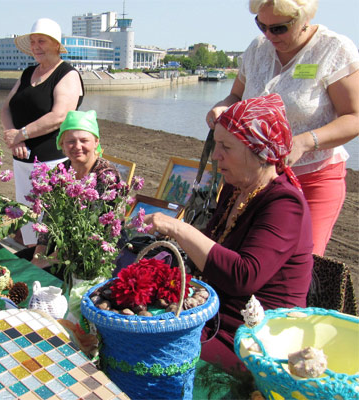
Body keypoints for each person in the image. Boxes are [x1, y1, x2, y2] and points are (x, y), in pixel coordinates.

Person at [146, 94, 313, 371]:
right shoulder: (237, 188)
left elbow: (242, 276)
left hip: (255, 335)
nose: (215, 155)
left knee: (151, 351)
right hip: (214, 313)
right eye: (216, 144)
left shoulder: (284, 204)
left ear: (260, 152)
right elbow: (212, 251)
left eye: (226, 146)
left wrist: (178, 228)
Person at [205, 0, 359, 256]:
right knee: (238, 257)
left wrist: (304, 142)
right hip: (250, 177)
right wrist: (222, 107)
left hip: (312, 179)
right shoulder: (257, 48)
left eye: (278, 28)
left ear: (304, 19)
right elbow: (235, 97)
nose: (268, 35)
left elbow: (354, 117)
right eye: (261, 25)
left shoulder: (334, 49)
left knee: (299, 264)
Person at [1, 18, 84, 247]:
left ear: (56, 44)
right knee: (27, 220)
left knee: (49, 225)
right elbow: (7, 107)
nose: (36, 46)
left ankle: (47, 270)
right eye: (33, 42)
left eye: (42, 41)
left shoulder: (67, 74)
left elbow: (59, 116)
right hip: (21, 161)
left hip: (52, 164)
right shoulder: (28, 73)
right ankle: (31, 262)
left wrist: (22, 135)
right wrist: (12, 135)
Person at [31, 110, 120, 269]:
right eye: (70, 141)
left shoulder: (107, 177)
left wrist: (47, 261)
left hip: (95, 254)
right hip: (62, 248)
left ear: (96, 142)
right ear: (62, 145)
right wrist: (39, 255)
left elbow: (96, 232)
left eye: (84, 140)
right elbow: (49, 217)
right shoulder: (60, 172)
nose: (77, 147)